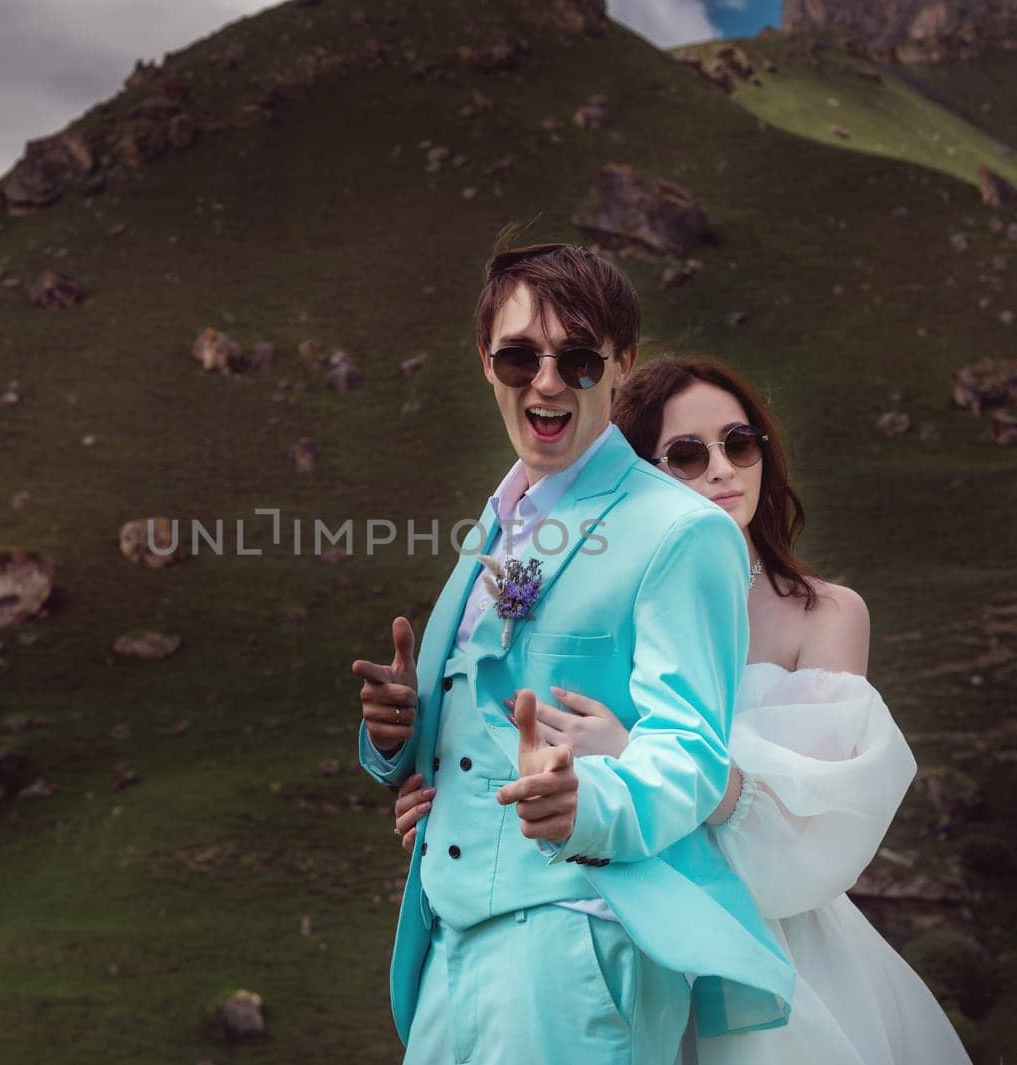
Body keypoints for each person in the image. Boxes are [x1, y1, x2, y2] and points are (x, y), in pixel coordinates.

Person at [390, 354, 972, 1065]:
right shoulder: (607, 596)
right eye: (687, 455)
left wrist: (636, 751)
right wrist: (456, 803)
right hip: (616, 923)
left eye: (740, 442)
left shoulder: (826, 613)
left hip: (771, 942)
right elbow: (518, 739)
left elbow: (822, 816)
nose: (723, 469)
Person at [354, 243, 794, 1065]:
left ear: (621, 368)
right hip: (450, 938)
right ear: (487, 364)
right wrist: (398, 735)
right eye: (520, 355)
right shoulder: (497, 519)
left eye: (579, 358)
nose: (547, 381)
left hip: (578, 942)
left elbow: (691, 752)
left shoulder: (681, 531)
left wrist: (584, 804)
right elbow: (484, 725)